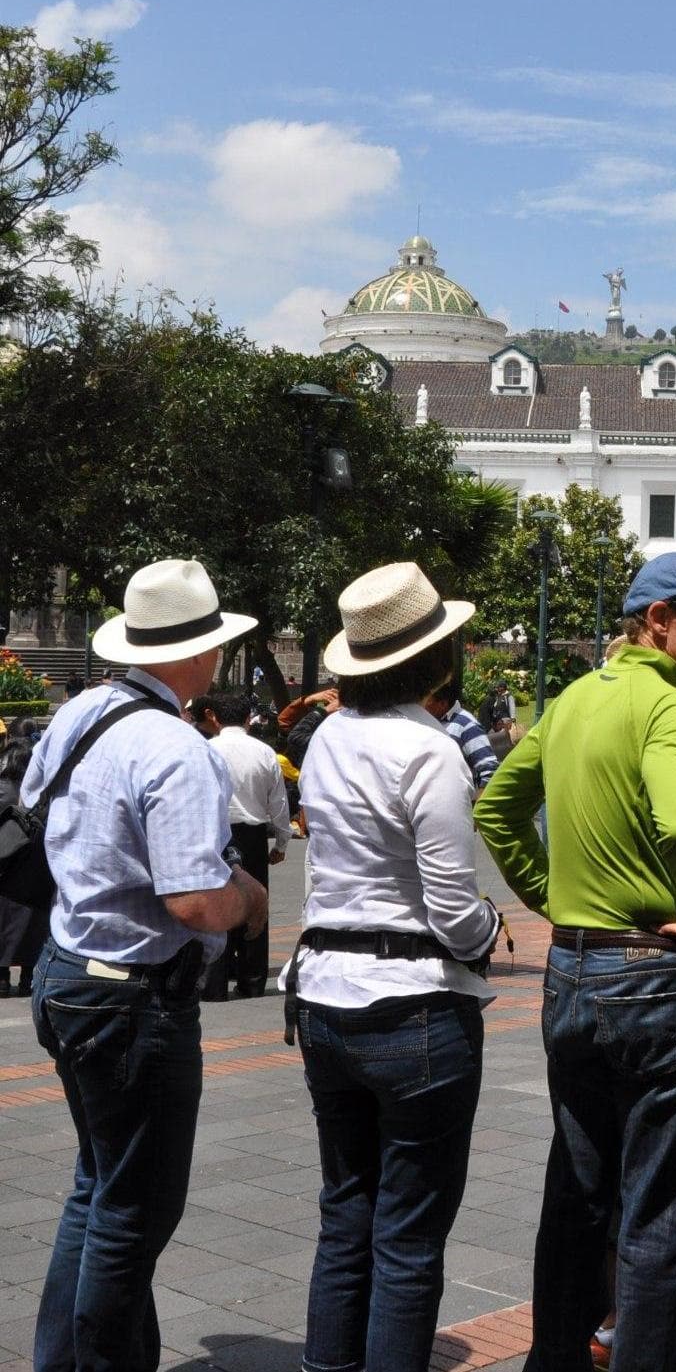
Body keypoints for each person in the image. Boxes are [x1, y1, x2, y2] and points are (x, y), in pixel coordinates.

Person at [475, 550, 676, 1372]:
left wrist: (552, 896)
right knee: (659, 1212)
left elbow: (497, 809)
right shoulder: (667, 705)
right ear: (656, 620)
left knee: (578, 1193)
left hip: (574, 970)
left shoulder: (574, 698)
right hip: (654, 981)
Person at [23, 559, 268, 1372]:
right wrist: (251, 898)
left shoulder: (84, 710)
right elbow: (195, 901)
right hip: (134, 997)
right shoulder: (175, 746)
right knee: (134, 1208)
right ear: (200, 657)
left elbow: (36, 803)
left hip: (68, 967)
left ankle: (68, 1358)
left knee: (95, 1189)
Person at [280, 561, 500, 1372]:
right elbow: (452, 906)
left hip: (325, 993)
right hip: (414, 1006)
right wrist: (491, 925)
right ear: (434, 659)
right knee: (407, 1233)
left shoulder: (330, 733)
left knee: (347, 1212)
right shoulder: (431, 750)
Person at [196, 691, 292, 1001]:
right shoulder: (264, 752)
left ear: (215, 717)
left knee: (216, 904)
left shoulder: (206, 750)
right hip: (252, 836)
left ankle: (214, 981)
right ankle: (252, 980)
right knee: (256, 904)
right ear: (248, 718)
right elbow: (278, 801)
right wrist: (282, 841)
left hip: (216, 834)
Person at [0, 734, 46, 999]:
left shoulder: (3, 787)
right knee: (34, 925)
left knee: (4, 923)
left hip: (7, 860)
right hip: (37, 867)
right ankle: (29, 978)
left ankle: (3, 979)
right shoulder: (40, 789)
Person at [426, 677, 499, 792]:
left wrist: (478, 806)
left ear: (442, 704)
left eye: (427, 702)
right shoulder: (430, 721)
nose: (423, 707)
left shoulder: (467, 725)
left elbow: (489, 769)